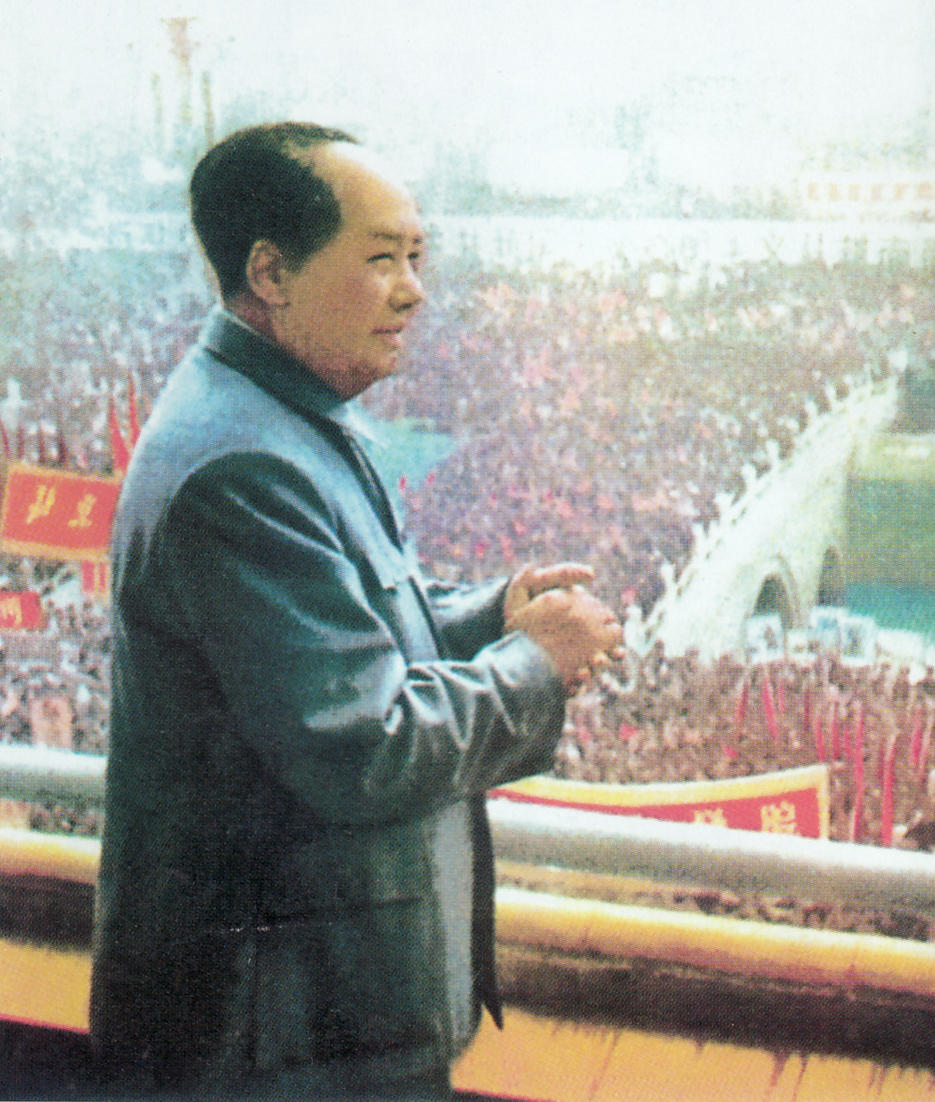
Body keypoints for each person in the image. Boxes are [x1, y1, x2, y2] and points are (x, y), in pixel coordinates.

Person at [90, 122, 623, 1100]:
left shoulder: (279, 416)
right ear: (270, 270)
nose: (414, 290)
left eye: (416, 258)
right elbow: (362, 746)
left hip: (306, 1030)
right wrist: (535, 664)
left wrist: (486, 620)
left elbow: (344, 652)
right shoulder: (241, 464)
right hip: (269, 1048)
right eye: (381, 260)